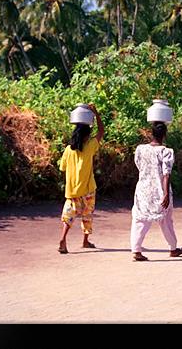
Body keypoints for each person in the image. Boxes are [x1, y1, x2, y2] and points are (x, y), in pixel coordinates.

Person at [130, 121, 182, 262]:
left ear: (151, 133)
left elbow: (139, 165)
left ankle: (136, 250)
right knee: (166, 220)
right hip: (159, 189)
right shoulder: (166, 152)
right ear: (164, 135)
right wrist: (165, 193)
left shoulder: (140, 149)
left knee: (140, 219)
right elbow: (166, 174)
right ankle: (173, 248)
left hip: (143, 188)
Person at [58, 103, 104, 254]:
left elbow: (62, 168)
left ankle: (63, 239)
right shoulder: (90, 146)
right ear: (86, 135)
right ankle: (85, 241)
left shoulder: (68, 150)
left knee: (68, 216)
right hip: (88, 188)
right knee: (87, 215)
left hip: (72, 191)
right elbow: (101, 131)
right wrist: (96, 113)